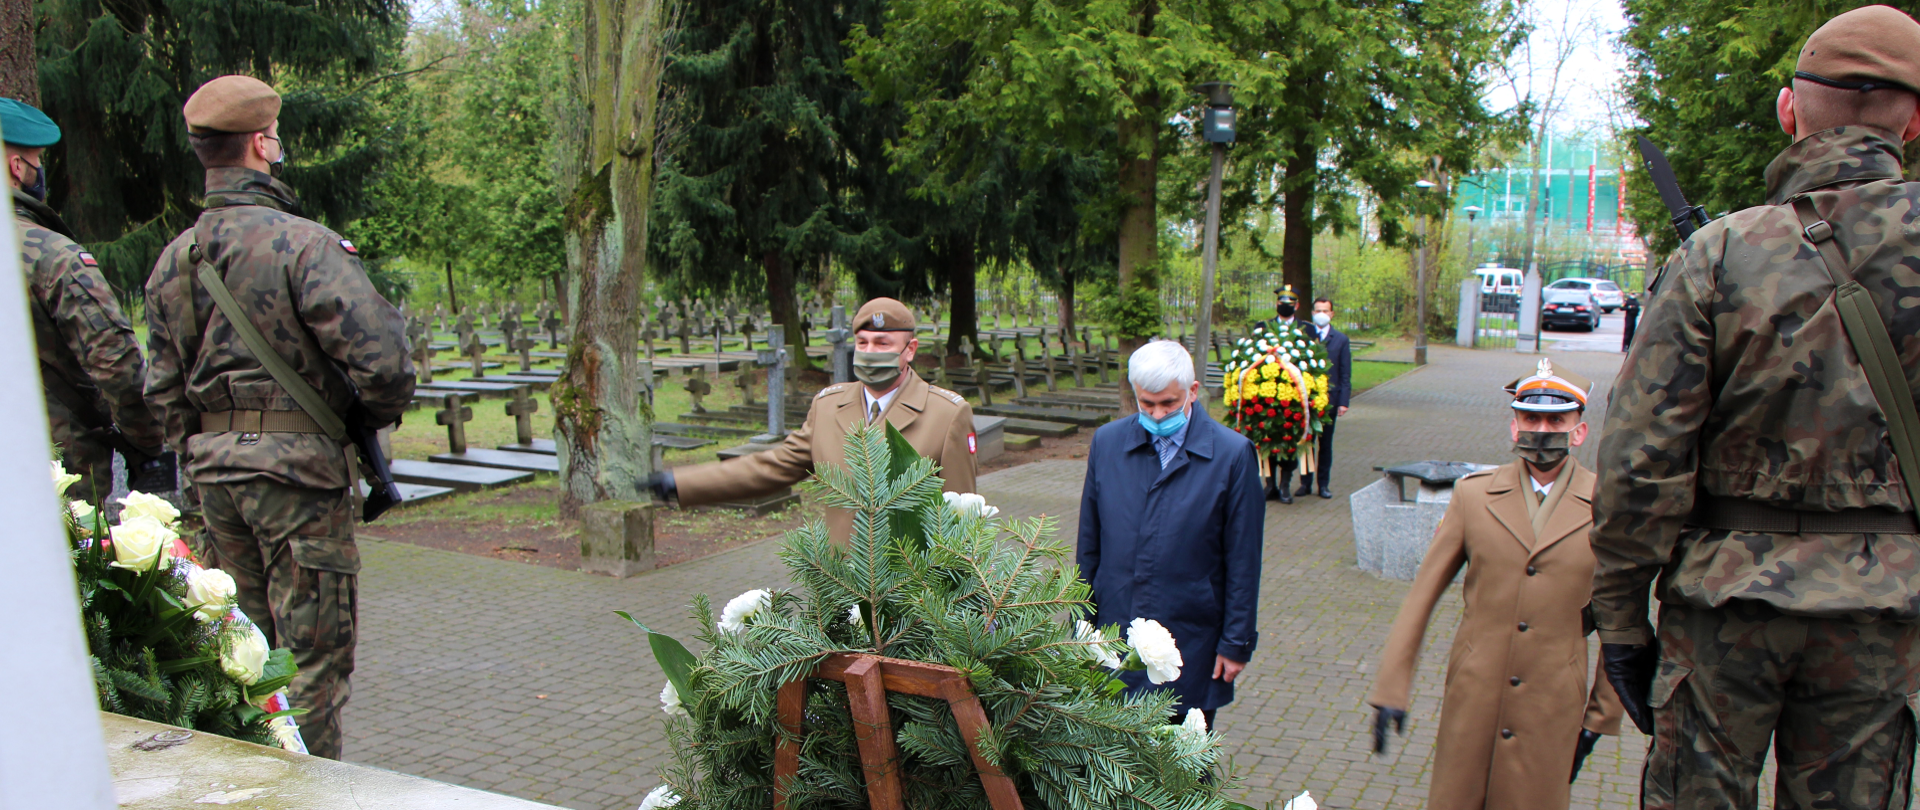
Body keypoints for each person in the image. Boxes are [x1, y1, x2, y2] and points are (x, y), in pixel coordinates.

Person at [1591, 7, 1920, 808]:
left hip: (1722, 611)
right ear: (1914, 123)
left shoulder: (1721, 253)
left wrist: (1623, 619)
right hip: (1884, 618)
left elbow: (1641, 459)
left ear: (1788, 111)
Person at [143, 75, 416, 759]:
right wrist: (354, 425)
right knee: (309, 671)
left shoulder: (173, 260)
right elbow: (384, 365)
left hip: (215, 488)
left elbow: (161, 391)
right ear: (263, 143)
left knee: (234, 661)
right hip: (298, 486)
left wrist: (204, 455)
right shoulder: (305, 246)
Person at [1369, 358, 1622, 810]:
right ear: (1514, 426)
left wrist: (1601, 715)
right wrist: (1393, 685)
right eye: (1531, 417)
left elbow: (1621, 618)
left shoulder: (1607, 508)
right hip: (1474, 695)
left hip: (1551, 704)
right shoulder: (1473, 495)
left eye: (1556, 419)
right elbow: (1422, 594)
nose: (1542, 429)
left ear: (1579, 430)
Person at [649, 298, 976, 543]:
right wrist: (682, 484)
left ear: (909, 350)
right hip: (838, 594)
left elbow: (961, 519)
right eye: (862, 343)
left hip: (911, 605)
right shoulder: (828, 407)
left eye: (882, 343)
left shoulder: (946, 416)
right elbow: (772, 466)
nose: (869, 352)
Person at [1077, 340, 1263, 724]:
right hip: (1116, 627)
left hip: (1190, 634)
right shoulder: (1108, 443)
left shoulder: (1232, 455)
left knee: (1180, 767)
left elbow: (1243, 559)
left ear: (1192, 392)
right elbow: (1089, 542)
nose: (1158, 415)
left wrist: (1235, 643)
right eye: (1147, 404)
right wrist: (1081, 622)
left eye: (1169, 404)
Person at [4, 97, 172, 504]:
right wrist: (147, 445)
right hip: (48, 475)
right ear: (18, 168)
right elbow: (115, 363)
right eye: (37, 160)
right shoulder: (52, 256)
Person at [1298, 297, 1351, 500]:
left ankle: (1323, 484)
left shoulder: (1341, 339)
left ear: (1331, 314)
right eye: (1318, 310)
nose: (1321, 313)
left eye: (1325, 310)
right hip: (1307, 400)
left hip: (1330, 399)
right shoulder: (1304, 338)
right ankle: (1305, 483)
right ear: (1312, 313)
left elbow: (1345, 373)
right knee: (1306, 441)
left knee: (1325, 444)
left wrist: (1344, 401)